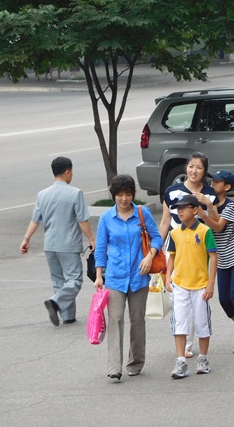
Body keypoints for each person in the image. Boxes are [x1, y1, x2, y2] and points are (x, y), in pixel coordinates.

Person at [93, 175, 162, 381]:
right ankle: (114, 367)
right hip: (115, 277)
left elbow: (156, 237)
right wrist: (99, 275)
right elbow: (101, 249)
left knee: (137, 320)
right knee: (115, 319)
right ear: (114, 195)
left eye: (128, 194)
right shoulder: (106, 218)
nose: (124, 199)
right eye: (120, 195)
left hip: (139, 276)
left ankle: (136, 362)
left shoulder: (142, 213)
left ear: (133, 194)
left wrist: (150, 256)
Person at [20, 156, 95, 326]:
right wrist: (91, 239)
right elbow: (82, 219)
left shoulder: (42, 194)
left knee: (59, 281)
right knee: (74, 280)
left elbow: (35, 220)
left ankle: (68, 316)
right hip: (68, 245)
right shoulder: (75, 193)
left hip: (50, 245)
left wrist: (26, 239)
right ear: (67, 172)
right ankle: (55, 302)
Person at [158, 152, 218, 358]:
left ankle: (190, 344)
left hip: (200, 251)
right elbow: (165, 222)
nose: (194, 171)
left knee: (197, 300)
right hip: (175, 249)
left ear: (204, 171)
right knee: (179, 298)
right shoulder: (172, 192)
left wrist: (207, 206)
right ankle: (184, 343)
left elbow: (216, 224)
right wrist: (156, 249)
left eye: (199, 168)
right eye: (191, 166)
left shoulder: (210, 194)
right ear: (186, 168)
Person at [198, 170, 234, 354]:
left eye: (217, 182)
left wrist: (204, 211)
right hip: (221, 260)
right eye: (212, 181)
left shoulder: (229, 206)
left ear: (227, 187)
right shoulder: (208, 203)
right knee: (224, 300)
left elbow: (219, 227)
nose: (212, 184)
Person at [166, 195, 218, 379]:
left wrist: (211, 283)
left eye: (184, 208)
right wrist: (167, 276)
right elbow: (171, 256)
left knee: (202, 323)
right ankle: (181, 361)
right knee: (179, 322)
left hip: (201, 285)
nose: (180, 211)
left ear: (195, 210)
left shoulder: (205, 231)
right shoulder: (174, 233)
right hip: (180, 284)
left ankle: (203, 358)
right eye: (177, 208)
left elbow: (213, 257)